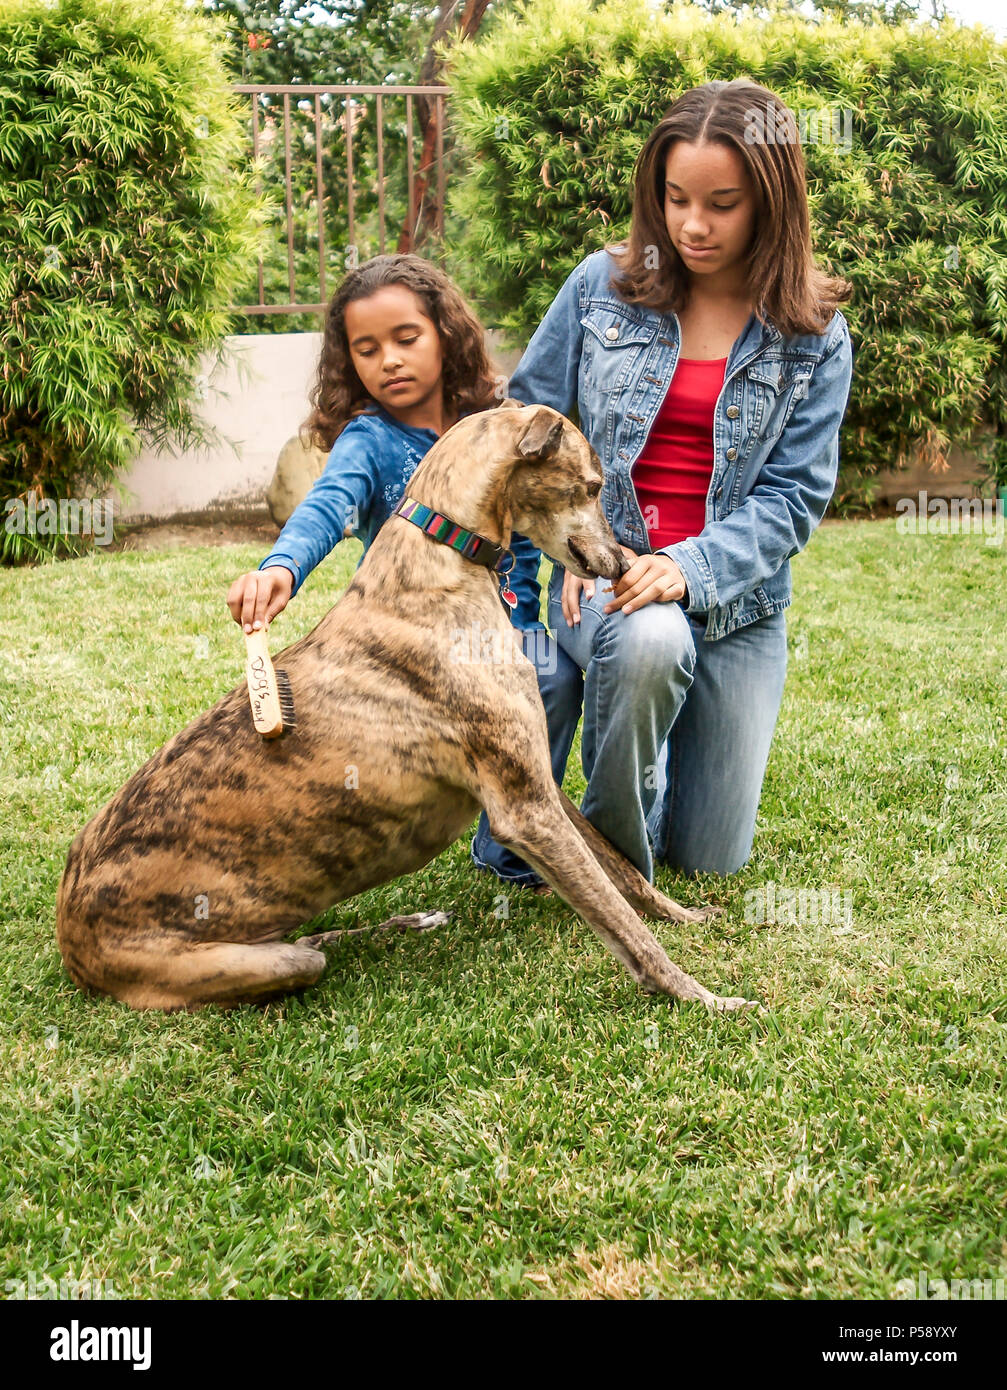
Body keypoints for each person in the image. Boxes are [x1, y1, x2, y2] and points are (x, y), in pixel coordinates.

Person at [504, 79, 854, 882]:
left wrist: (687, 568)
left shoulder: (813, 334)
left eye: (721, 203)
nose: (692, 225)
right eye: (675, 198)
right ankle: (608, 861)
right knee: (652, 638)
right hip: (603, 576)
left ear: (771, 200)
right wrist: (563, 544)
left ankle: (632, 805)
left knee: (710, 858)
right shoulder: (601, 285)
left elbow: (793, 500)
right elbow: (524, 428)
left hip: (738, 608)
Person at [226, 253, 584, 890]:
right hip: (422, 649)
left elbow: (544, 513)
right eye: (366, 349)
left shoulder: (497, 425)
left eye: (405, 338)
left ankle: (514, 826)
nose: (387, 359)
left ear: (446, 335)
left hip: (506, 627)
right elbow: (328, 504)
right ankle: (490, 834)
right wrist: (281, 565)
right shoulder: (371, 439)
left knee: (551, 678)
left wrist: (557, 586)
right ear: (349, 363)